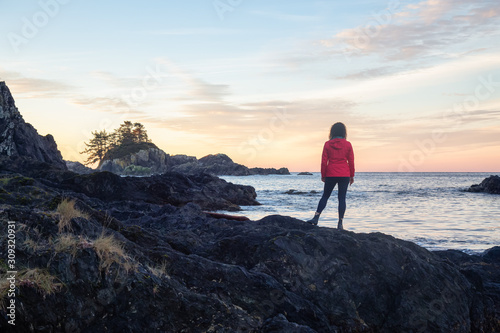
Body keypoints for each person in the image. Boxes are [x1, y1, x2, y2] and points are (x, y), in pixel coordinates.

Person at [307, 122, 355, 229]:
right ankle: (340, 223)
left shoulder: (327, 144)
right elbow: (351, 161)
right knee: (342, 198)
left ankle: (316, 218)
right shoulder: (348, 145)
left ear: (332, 132)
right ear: (344, 132)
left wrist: (323, 175)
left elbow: (324, 161)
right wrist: (352, 175)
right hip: (344, 174)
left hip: (331, 173)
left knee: (325, 196)